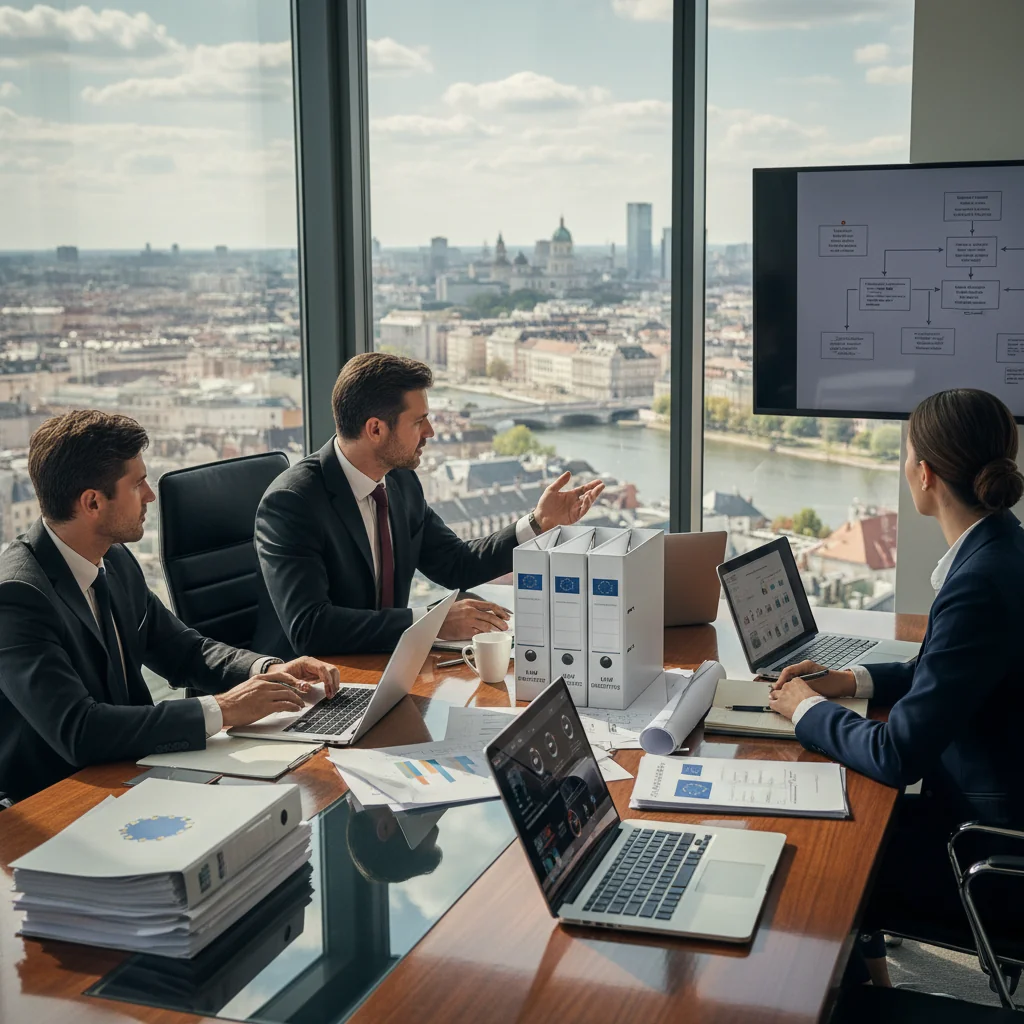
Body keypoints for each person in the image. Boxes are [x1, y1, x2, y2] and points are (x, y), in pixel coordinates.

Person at [767, 388, 1024, 985]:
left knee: (824, 860)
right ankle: (875, 980)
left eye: (907, 455)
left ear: (925, 472)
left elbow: (896, 755)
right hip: (996, 820)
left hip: (986, 855)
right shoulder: (1002, 550)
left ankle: (854, 1001)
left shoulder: (979, 582)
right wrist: (849, 679)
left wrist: (805, 709)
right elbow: (949, 668)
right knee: (849, 823)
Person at [0, 411, 342, 804]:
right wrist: (224, 708)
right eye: (137, 484)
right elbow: (80, 731)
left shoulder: (113, 559)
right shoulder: (17, 597)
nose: (150, 494)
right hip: (60, 801)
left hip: (133, 773)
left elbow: (182, 649)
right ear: (92, 502)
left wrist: (266, 669)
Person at [254, 352, 605, 658]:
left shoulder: (400, 481)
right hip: (309, 687)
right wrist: (432, 620)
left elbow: (456, 565)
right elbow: (310, 628)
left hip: (384, 665)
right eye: (419, 421)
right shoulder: (292, 503)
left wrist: (538, 522)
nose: (431, 432)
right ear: (375, 429)